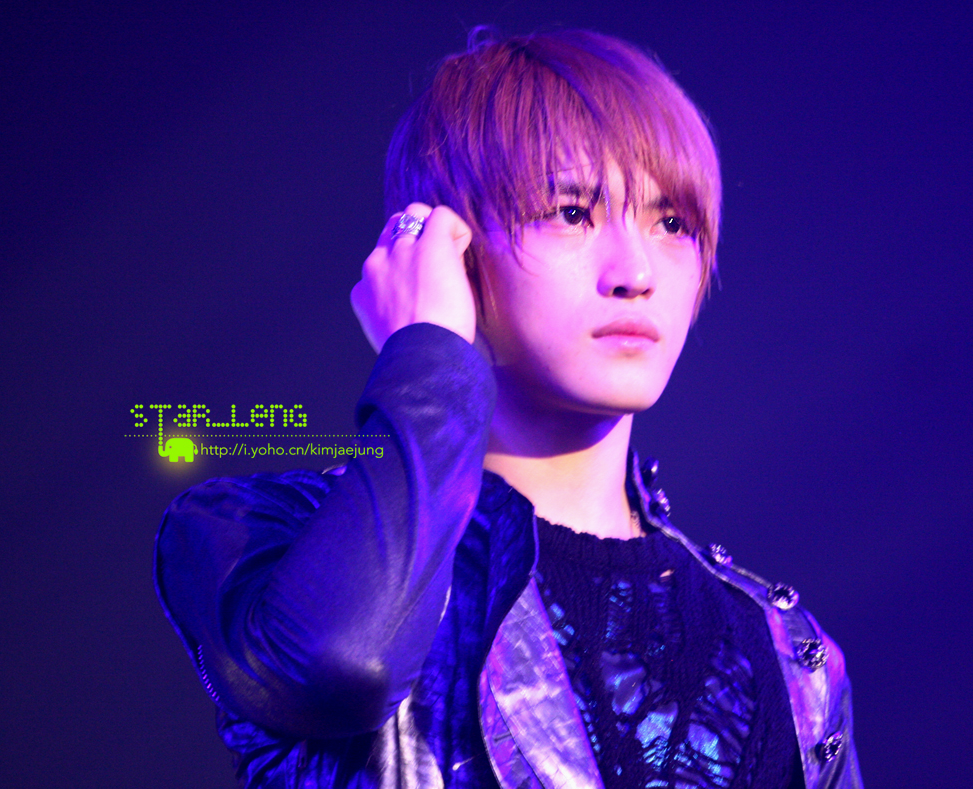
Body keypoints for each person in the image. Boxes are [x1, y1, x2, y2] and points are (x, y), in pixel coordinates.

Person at [155, 28, 862, 789]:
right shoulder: (265, 533)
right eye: (571, 212)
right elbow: (342, 667)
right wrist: (426, 350)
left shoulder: (784, 653)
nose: (635, 272)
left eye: (672, 224)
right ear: (447, 249)